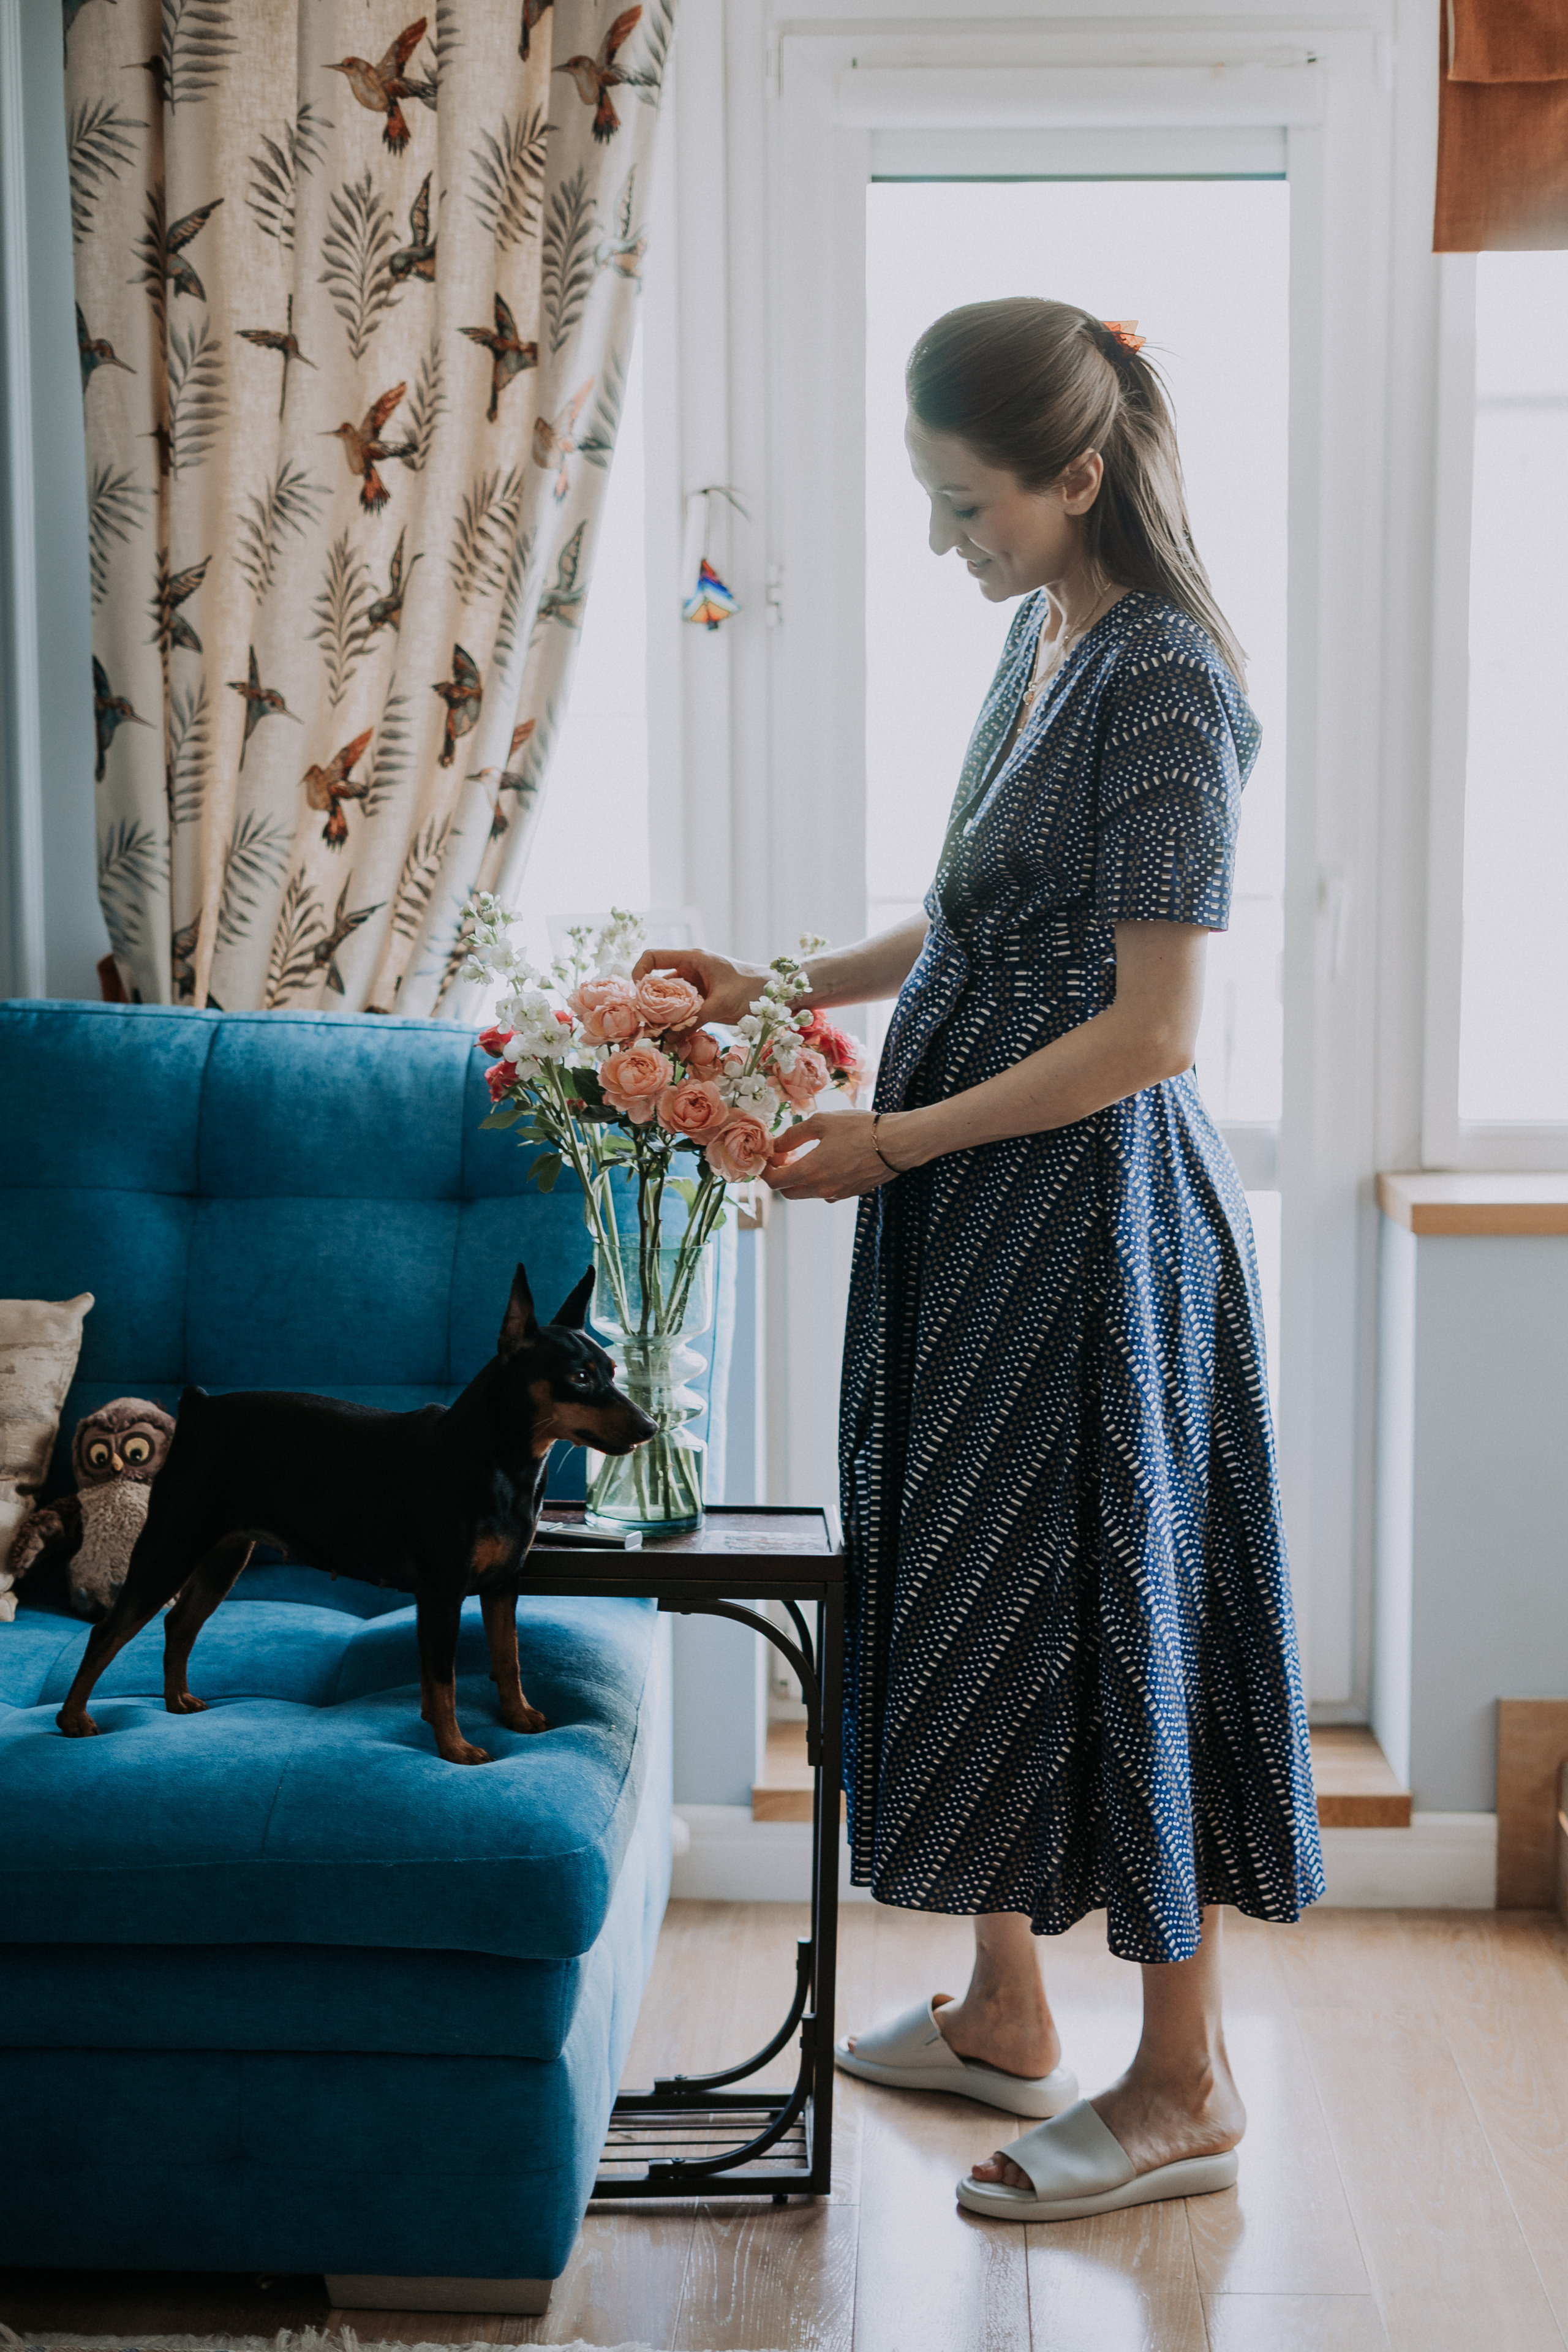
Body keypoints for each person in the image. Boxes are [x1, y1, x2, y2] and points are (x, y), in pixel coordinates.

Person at [631, 297, 1323, 2223]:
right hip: (971, 1212)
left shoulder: (1168, 676)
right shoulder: (1045, 642)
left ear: (1079, 476)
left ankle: (1181, 2081)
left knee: (1118, 1609)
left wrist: (894, 1144)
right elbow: (967, 925)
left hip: (1086, 1224)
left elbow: (1154, 1029)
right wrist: (764, 978)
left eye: (967, 508)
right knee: (977, 1587)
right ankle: (1012, 2007)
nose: (951, 545)